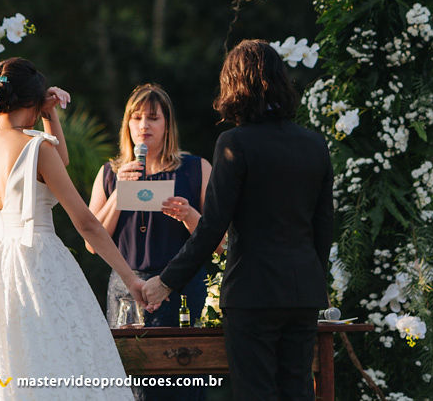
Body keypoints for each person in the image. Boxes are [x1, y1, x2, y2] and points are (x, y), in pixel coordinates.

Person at [0, 57, 143, 400]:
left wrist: (49, 116)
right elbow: (87, 223)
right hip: (39, 262)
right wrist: (131, 278)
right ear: (33, 103)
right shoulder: (36, 148)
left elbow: (57, 162)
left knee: (9, 364)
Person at [142, 40, 334, 401]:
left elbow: (212, 225)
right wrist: (311, 276)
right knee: (298, 392)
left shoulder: (235, 142)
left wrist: (166, 282)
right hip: (303, 293)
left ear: (234, 86)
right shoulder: (314, 144)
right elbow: (324, 226)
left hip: (253, 293)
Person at [88, 82, 212, 328]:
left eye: (153, 118)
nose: (144, 125)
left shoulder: (196, 169)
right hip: (127, 292)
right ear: (127, 125)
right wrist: (119, 192)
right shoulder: (110, 173)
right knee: (129, 366)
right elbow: (92, 243)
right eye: (137, 118)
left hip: (182, 289)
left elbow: (218, 241)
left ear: (167, 125)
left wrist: (188, 215)